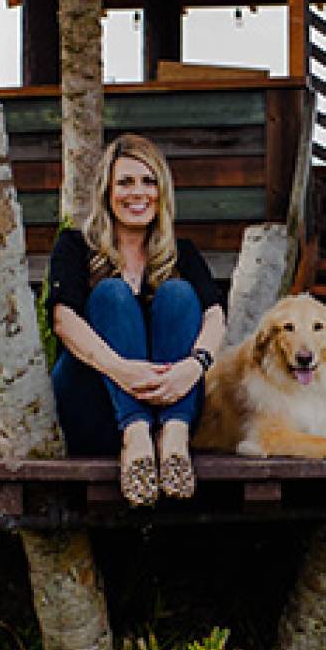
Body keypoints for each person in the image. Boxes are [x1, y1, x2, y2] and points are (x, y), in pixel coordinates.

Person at [46, 134, 226, 505]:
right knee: (111, 294)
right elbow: (63, 319)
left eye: (148, 181)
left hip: (170, 404)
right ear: (106, 191)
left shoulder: (181, 252)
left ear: (162, 192)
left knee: (179, 293)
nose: (137, 193)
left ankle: (174, 441)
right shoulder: (76, 246)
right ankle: (136, 438)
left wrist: (194, 367)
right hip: (95, 402)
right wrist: (121, 370)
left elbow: (215, 316)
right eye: (125, 182)